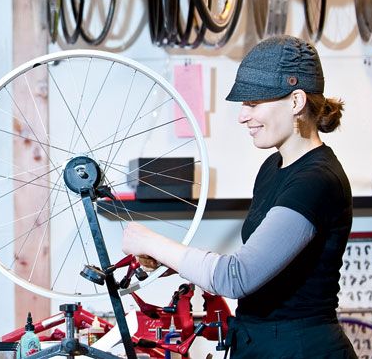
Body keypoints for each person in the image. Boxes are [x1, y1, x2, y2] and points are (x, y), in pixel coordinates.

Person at [122, 35, 357, 358]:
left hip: (299, 348)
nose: (242, 116)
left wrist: (149, 241)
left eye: (253, 103)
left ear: (296, 101)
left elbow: (237, 276)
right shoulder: (273, 167)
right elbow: (264, 265)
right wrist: (169, 261)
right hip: (259, 342)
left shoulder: (316, 181)